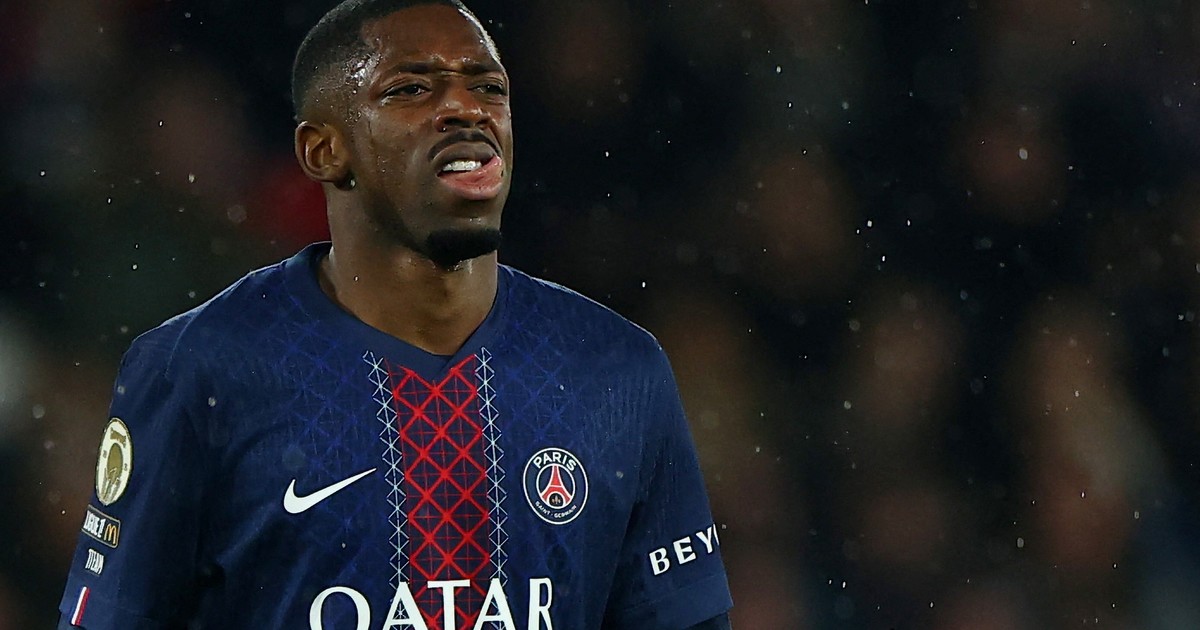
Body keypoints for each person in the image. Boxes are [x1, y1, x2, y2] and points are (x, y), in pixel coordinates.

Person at [56, 1, 733, 628]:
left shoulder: (615, 369)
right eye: (412, 88)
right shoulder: (202, 369)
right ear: (324, 151)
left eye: (488, 87)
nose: (466, 108)